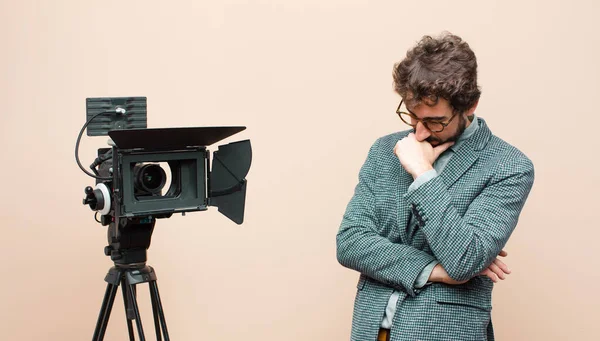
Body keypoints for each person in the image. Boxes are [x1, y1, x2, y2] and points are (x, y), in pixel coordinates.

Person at [336, 32, 534, 341]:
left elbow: (464, 259)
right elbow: (350, 242)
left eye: (434, 121)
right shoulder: (384, 150)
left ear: (470, 105)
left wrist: (422, 172)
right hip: (370, 330)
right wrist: (434, 270)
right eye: (412, 116)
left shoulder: (508, 167)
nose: (417, 132)